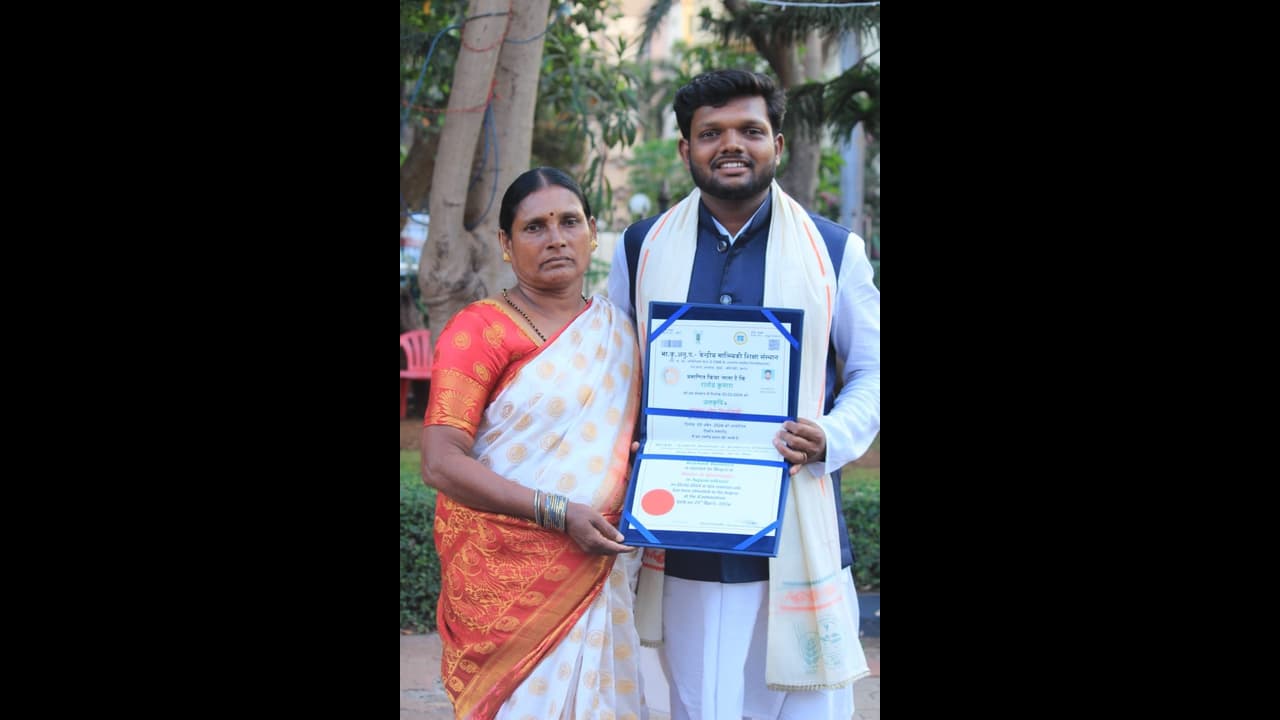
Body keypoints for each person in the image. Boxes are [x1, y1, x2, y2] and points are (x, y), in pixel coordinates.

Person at [606, 69, 880, 719]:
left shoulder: (834, 251)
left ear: (776, 144)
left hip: (797, 526)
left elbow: (872, 370)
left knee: (808, 705)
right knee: (699, 702)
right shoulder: (641, 248)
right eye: (711, 133)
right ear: (686, 148)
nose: (731, 145)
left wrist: (830, 436)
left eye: (749, 130)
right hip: (683, 533)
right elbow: (615, 375)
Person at [422, 167, 647, 720]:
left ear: (591, 231)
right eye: (535, 227)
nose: (556, 239)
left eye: (569, 222)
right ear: (506, 243)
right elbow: (441, 461)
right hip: (504, 584)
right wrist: (557, 512)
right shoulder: (479, 330)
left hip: (597, 569)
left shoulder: (620, 330)